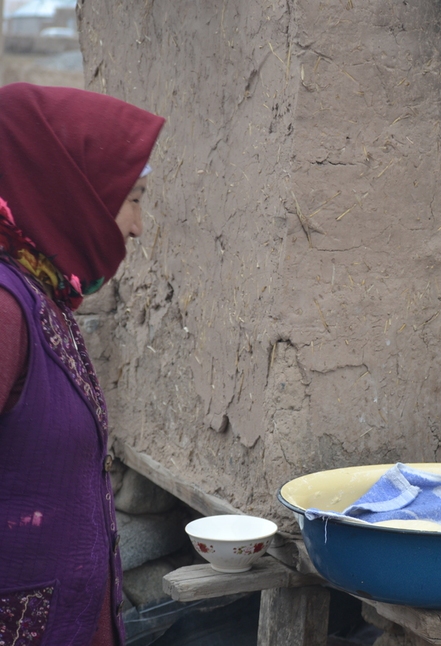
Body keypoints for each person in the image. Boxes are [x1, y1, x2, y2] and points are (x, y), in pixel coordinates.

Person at [0, 83, 164, 646]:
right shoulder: (5, 308)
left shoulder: (46, 295)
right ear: (74, 194)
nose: (138, 224)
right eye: (133, 198)